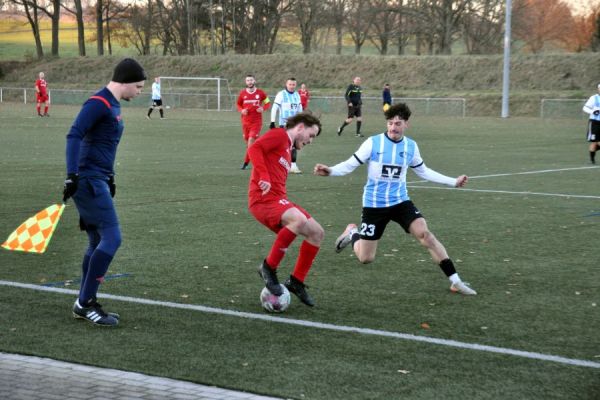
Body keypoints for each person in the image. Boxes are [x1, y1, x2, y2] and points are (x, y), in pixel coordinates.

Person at [315, 103, 477, 296]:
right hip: (374, 204)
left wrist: (453, 182)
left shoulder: (410, 146)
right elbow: (350, 165)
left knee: (426, 235)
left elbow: (423, 171)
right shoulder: (373, 143)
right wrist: (331, 171)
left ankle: (455, 281)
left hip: (400, 202)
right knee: (366, 258)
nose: (393, 127)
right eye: (390, 123)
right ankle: (352, 234)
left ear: (406, 124)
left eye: (398, 123)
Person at [62, 58, 147, 326]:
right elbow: (74, 135)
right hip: (87, 180)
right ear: (127, 81)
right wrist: (72, 175)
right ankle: (85, 303)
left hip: (98, 178)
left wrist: (110, 176)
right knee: (112, 239)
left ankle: (85, 301)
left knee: (96, 241)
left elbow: (104, 144)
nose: (140, 91)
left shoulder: (113, 104)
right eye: (139, 86)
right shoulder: (98, 103)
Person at [249, 112, 323, 307]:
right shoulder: (280, 135)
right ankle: (268, 268)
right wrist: (263, 176)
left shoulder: (287, 148)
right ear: (300, 127)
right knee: (297, 220)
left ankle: (296, 282)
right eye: (311, 135)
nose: (311, 140)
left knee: (317, 233)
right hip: (263, 200)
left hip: (278, 200)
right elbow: (255, 148)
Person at [236, 74, 271, 170]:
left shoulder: (260, 93)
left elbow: (268, 102)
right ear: (246, 82)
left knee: (251, 141)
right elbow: (238, 104)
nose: (250, 82)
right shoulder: (242, 93)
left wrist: (263, 108)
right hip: (245, 123)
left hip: (256, 122)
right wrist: (241, 110)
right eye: (248, 80)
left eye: (251, 80)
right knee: (249, 143)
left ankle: (247, 162)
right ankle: (257, 156)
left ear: (254, 81)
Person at [270, 77, 303, 174]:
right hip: (284, 124)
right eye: (290, 84)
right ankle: (280, 164)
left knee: (294, 145)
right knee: (284, 145)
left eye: (293, 84)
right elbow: (275, 107)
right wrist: (272, 122)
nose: (292, 86)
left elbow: (300, 109)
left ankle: (293, 166)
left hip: (295, 124)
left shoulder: (297, 95)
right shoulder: (281, 94)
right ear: (286, 84)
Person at [582, 83, 600, 164]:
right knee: (594, 142)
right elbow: (585, 108)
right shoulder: (594, 98)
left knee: (596, 143)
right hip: (594, 123)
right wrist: (592, 111)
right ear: (598, 89)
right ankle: (592, 160)